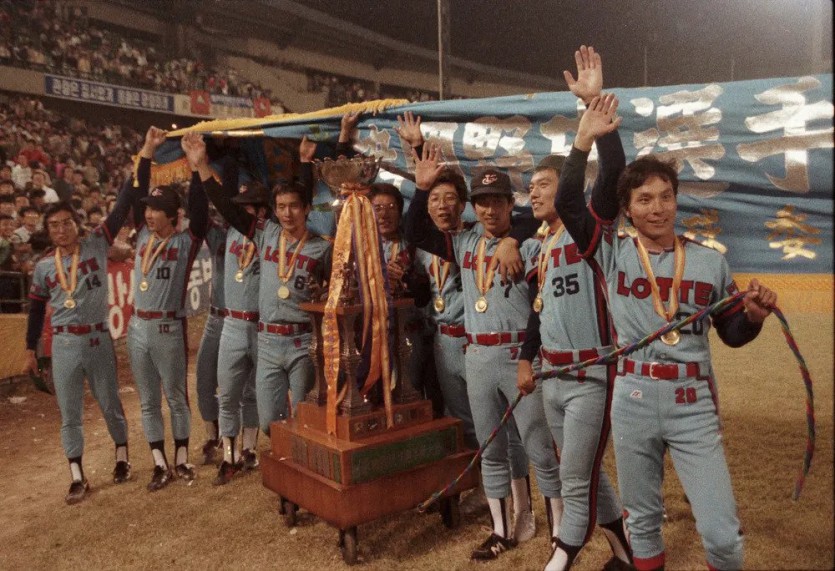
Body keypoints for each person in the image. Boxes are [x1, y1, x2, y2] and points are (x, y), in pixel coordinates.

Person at [556, 89, 778, 571]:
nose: (657, 208)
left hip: (691, 401)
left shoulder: (709, 262)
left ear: (676, 201)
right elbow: (568, 202)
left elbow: (732, 333)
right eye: (644, 200)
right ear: (627, 210)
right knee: (642, 523)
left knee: (721, 533)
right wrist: (585, 140)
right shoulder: (611, 251)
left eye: (665, 197)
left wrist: (753, 318)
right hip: (632, 397)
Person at [406, 151, 562, 561]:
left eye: (497, 201)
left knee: (539, 448)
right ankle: (501, 530)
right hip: (476, 355)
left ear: (511, 204)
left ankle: (560, 536)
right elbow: (415, 230)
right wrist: (421, 188)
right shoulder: (463, 242)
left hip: (516, 355)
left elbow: (540, 309)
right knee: (491, 449)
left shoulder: (531, 244)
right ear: (472, 208)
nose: (490, 210)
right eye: (482, 203)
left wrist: (513, 238)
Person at [517, 46, 633, 571]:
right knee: (585, 471)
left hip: (591, 376)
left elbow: (613, 174)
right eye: (531, 187)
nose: (535, 193)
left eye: (543, 184)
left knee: (573, 478)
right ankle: (627, 553)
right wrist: (528, 358)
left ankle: (560, 558)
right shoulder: (539, 247)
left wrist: (593, 115)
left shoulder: (592, 230)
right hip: (553, 378)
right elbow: (539, 312)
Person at [188, 134, 331, 437]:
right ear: (274, 210)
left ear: (306, 208)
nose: (287, 213)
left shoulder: (322, 249)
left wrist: (306, 164)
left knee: (305, 418)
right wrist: (201, 166)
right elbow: (228, 209)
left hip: (302, 341)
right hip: (267, 341)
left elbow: (334, 293)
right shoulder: (266, 234)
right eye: (281, 207)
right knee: (269, 424)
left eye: (294, 206)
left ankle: (299, 464)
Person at [24, 168, 144, 503]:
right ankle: (77, 476)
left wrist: (138, 168)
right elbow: (35, 310)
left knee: (109, 401)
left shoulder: (96, 244)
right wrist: (30, 349)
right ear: (48, 231)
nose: (61, 230)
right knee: (70, 411)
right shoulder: (44, 267)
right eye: (54, 225)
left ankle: (122, 456)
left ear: (77, 225)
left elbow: (120, 208)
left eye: (66, 223)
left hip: (97, 338)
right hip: (63, 343)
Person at [127, 128, 209, 492]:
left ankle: (182, 457)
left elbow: (200, 213)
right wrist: (147, 149)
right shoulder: (142, 236)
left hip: (167, 328)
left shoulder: (185, 242)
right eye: (147, 208)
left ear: (173, 215)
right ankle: (159, 462)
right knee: (147, 400)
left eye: (156, 210)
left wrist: (196, 167)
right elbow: (135, 190)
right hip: (137, 328)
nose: (148, 214)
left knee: (175, 396)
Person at [192, 163, 264, 485]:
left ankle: (249, 449)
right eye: (239, 207)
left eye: (249, 207)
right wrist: (198, 169)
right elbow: (204, 211)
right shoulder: (225, 233)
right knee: (226, 391)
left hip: (260, 325)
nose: (242, 212)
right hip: (229, 321)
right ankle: (228, 455)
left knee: (252, 392)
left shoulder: (269, 236)